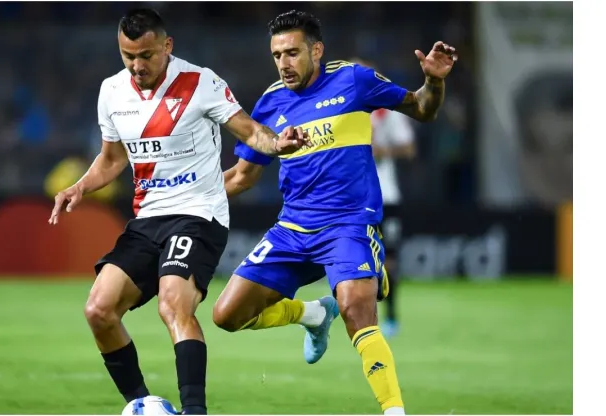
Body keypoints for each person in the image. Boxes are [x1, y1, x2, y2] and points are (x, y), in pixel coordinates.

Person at [47, 8, 307, 415]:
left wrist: (276, 144)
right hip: (147, 218)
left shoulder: (200, 82)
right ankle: (142, 405)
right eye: (127, 55)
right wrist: (80, 187)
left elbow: (248, 129)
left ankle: (194, 411)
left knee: (173, 304)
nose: (136, 65)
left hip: (198, 214)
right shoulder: (112, 91)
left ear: (167, 46)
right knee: (98, 310)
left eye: (146, 55)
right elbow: (113, 159)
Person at [212, 10, 457, 416]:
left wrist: (433, 80)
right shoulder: (271, 102)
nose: (284, 64)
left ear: (317, 50)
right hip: (292, 228)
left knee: (357, 310)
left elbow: (423, 110)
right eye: (277, 55)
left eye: (292, 53)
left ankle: (394, 411)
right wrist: (185, 199)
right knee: (227, 315)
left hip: (348, 224)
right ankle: (310, 314)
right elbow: (241, 177)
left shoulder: (354, 81)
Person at [351, 57, 418, 338]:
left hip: (385, 196)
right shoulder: (340, 112)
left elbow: (410, 149)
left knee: (388, 260)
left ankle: (391, 318)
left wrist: (382, 151)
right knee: (354, 259)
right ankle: (358, 316)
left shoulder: (384, 112)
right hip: (351, 198)